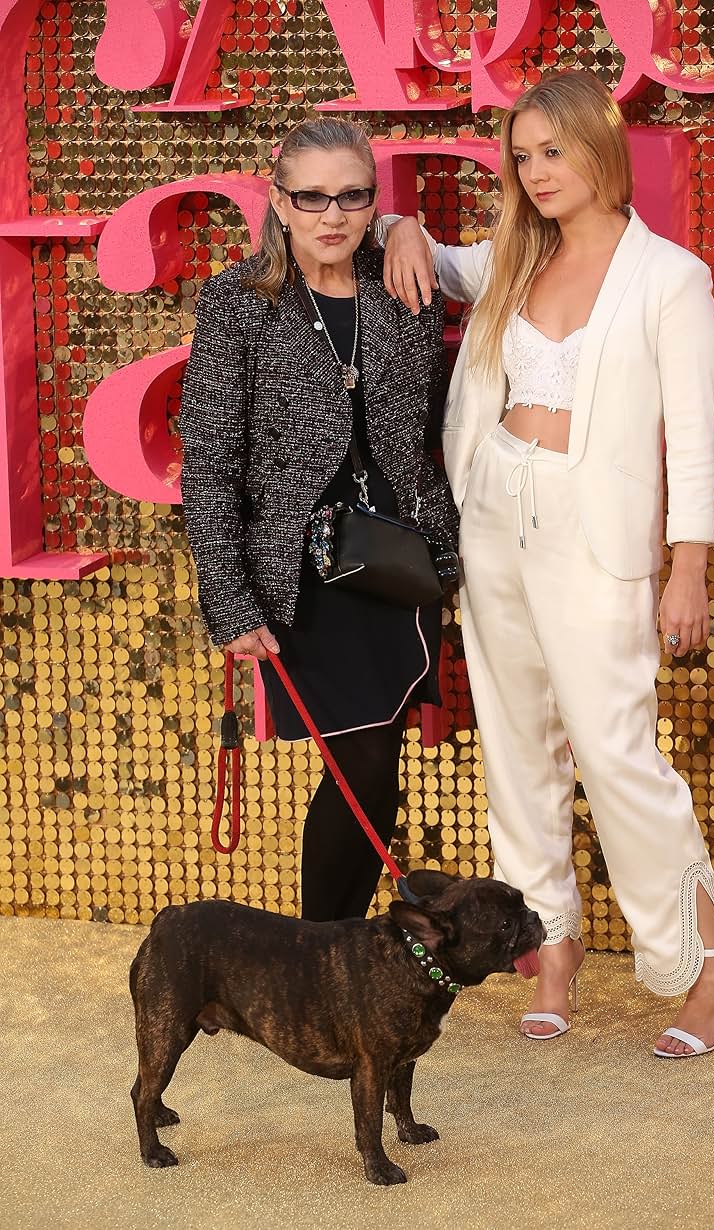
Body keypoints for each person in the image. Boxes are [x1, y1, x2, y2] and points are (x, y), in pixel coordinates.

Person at [383, 69, 714, 1057]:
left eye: (554, 150)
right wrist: (402, 228)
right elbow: (435, 261)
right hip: (495, 518)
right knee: (515, 749)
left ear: (601, 150)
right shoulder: (511, 254)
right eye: (522, 154)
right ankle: (548, 945)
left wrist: (687, 565)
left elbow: (691, 439)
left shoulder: (668, 278)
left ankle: (705, 960)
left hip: (599, 537)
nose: (535, 171)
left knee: (617, 754)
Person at [180, 117, 458, 923]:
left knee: (378, 765)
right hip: (300, 581)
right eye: (311, 197)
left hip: (400, 566)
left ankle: (326, 957)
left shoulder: (403, 282)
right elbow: (210, 458)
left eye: (354, 196)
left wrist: (410, 226)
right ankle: (323, 954)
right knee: (362, 762)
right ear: (279, 200)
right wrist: (229, 601)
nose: (332, 215)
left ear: (374, 199)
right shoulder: (239, 301)